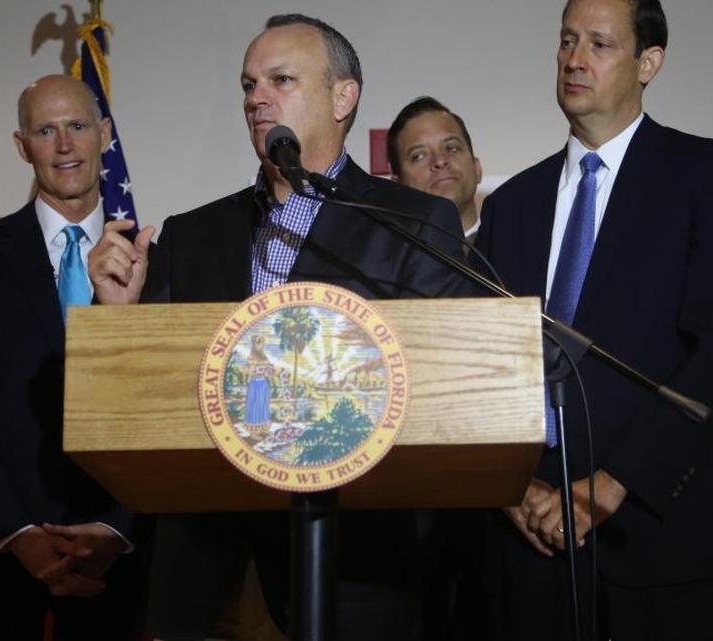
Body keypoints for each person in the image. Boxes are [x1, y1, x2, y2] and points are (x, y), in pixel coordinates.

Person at [88, 13, 476, 641]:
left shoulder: (414, 222)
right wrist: (121, 319)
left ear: (342, 97)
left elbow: (438, 393)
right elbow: (144, 399)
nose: (256, 98)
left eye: (281, 80)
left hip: (355, 567)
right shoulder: (191, 236)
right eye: (248, 84)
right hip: (213, 571)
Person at [475, 1, 713, 639]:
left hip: (668, 538)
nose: (574, 59)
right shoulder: (511, 205)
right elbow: (482, 365)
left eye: (601, 45)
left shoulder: (710, 175)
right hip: (535, 545)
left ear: (649, 62)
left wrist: (611, 485)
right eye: (567, 41)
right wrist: (511, 487)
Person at [0, 74, 144, 640]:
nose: (65, 145)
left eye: (76, 126)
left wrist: (114, 532)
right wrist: (19, 534)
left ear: (104, 134)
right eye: (46, 130)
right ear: (23, 146)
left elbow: (162, 418)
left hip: (121, 566)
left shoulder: (158, 264)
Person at [387, 97, 484, 244]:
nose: (440, 161)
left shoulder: (519, 248)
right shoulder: (376, 265)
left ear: (477, 168)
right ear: (398, 187)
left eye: (452, 148)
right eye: (419, 156)